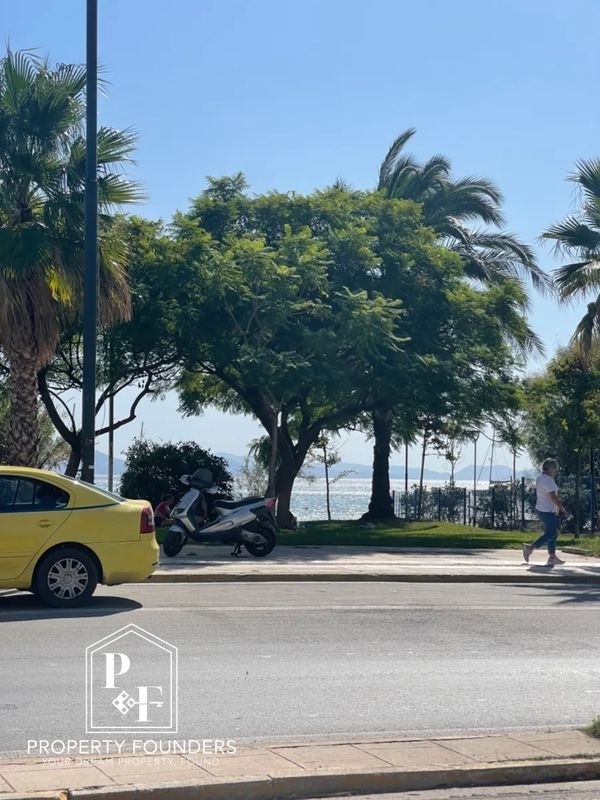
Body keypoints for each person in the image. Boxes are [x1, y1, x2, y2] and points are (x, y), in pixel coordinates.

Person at [522, 458, 567, 565]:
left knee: (553, 533)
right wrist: (561, 508)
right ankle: (530, 548)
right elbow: (553, 496)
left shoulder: (541, 478)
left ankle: (552, 557)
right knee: (551, 533)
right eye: (554, 469)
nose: (555, 471)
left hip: (543, 509)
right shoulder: (547, 480)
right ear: (550, 468)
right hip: (547, 510)